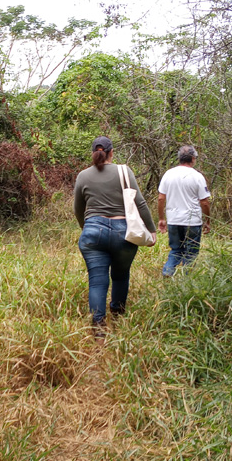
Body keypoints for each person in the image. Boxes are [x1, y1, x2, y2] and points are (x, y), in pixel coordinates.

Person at [74, 136, 157, 340]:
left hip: (93, 232)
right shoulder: (124, 171)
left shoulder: (83, 176)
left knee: (97, 282)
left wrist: (87, 228)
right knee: (120, 276)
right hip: (123, 233)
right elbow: (140, 203)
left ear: (93, 153)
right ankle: (118, 318)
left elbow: (78, 208)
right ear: (111, 152)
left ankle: (98, 329)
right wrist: (151, 230)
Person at [157, 145, 211, 276]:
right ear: (193, 158)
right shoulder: (197, 176)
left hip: (173, 220)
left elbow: (161, 198)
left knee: (176, 250)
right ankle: (187, 278)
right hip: (193, 221)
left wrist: (162, 218)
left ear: (179, 158)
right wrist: (207, 220)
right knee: (191, 252)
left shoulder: (168, 174)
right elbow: (204, 202)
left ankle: (168, 272)